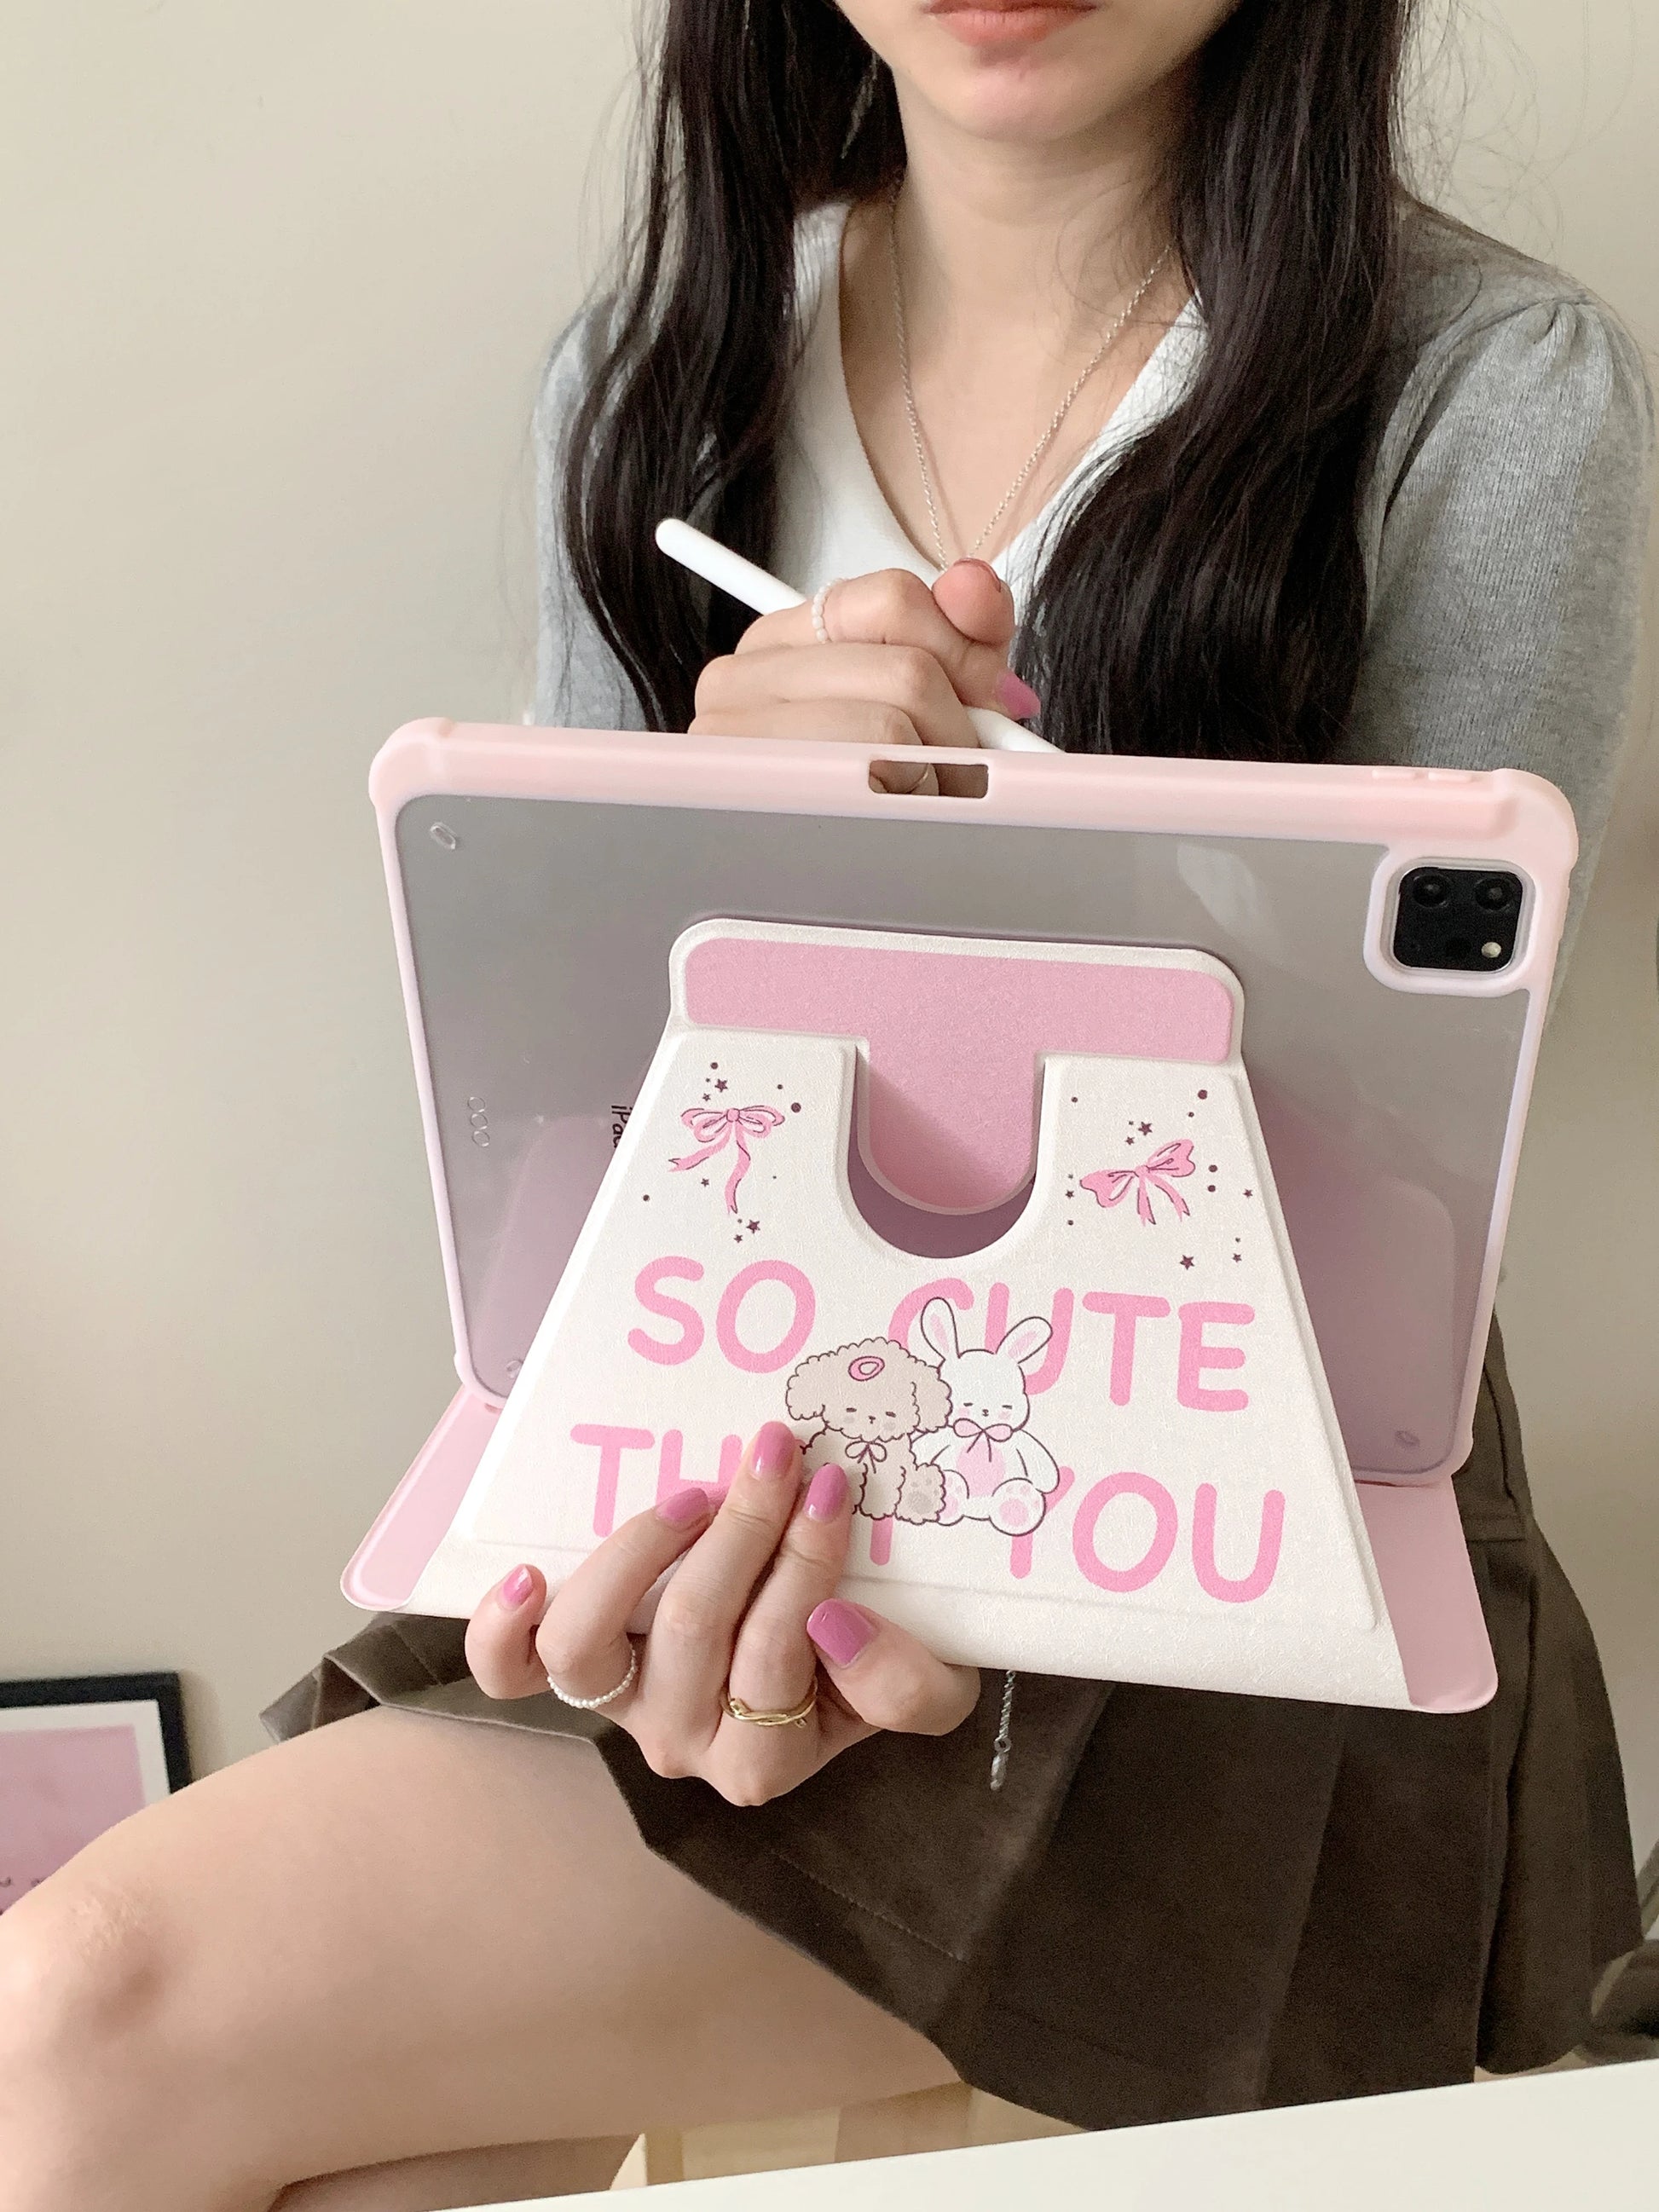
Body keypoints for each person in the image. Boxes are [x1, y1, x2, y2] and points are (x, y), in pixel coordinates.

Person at [3, 3, 1652, 2207]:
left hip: (1228, 1567)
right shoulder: (657, 379)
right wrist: (710, 833)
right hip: (723, 1473)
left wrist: (967, 839)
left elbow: (1396, 1170)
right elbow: (579, 1163)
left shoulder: (1485, 381)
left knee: (82, 2010)